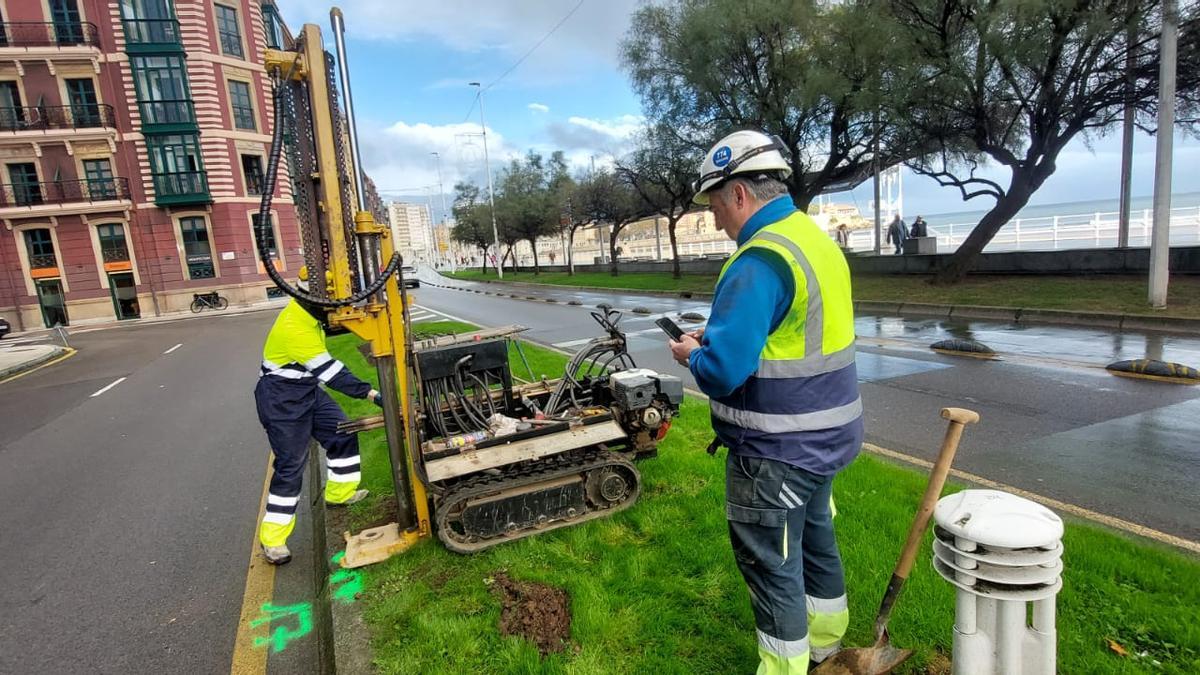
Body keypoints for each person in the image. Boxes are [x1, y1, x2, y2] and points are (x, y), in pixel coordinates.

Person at [669, 130, 862, 673]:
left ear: (738, 194)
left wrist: (692, 355)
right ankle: (827, 648)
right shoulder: (813, 240)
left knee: (772, 566)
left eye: (713, 205)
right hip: (828, 439)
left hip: (774, 450)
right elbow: (790, 330)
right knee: (817, 545)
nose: (715, 221)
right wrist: (724, 333)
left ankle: (783, 668)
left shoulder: (757, 260)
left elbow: (724, 373)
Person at [254, 266, 382, 565]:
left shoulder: (308, 315)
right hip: (281, 399)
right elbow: (331, 373)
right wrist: (372, 394)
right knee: (291, 465)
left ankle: (340, 493)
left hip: (306, 391)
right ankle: (273, 540)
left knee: (342, 432)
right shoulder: (295, 327)